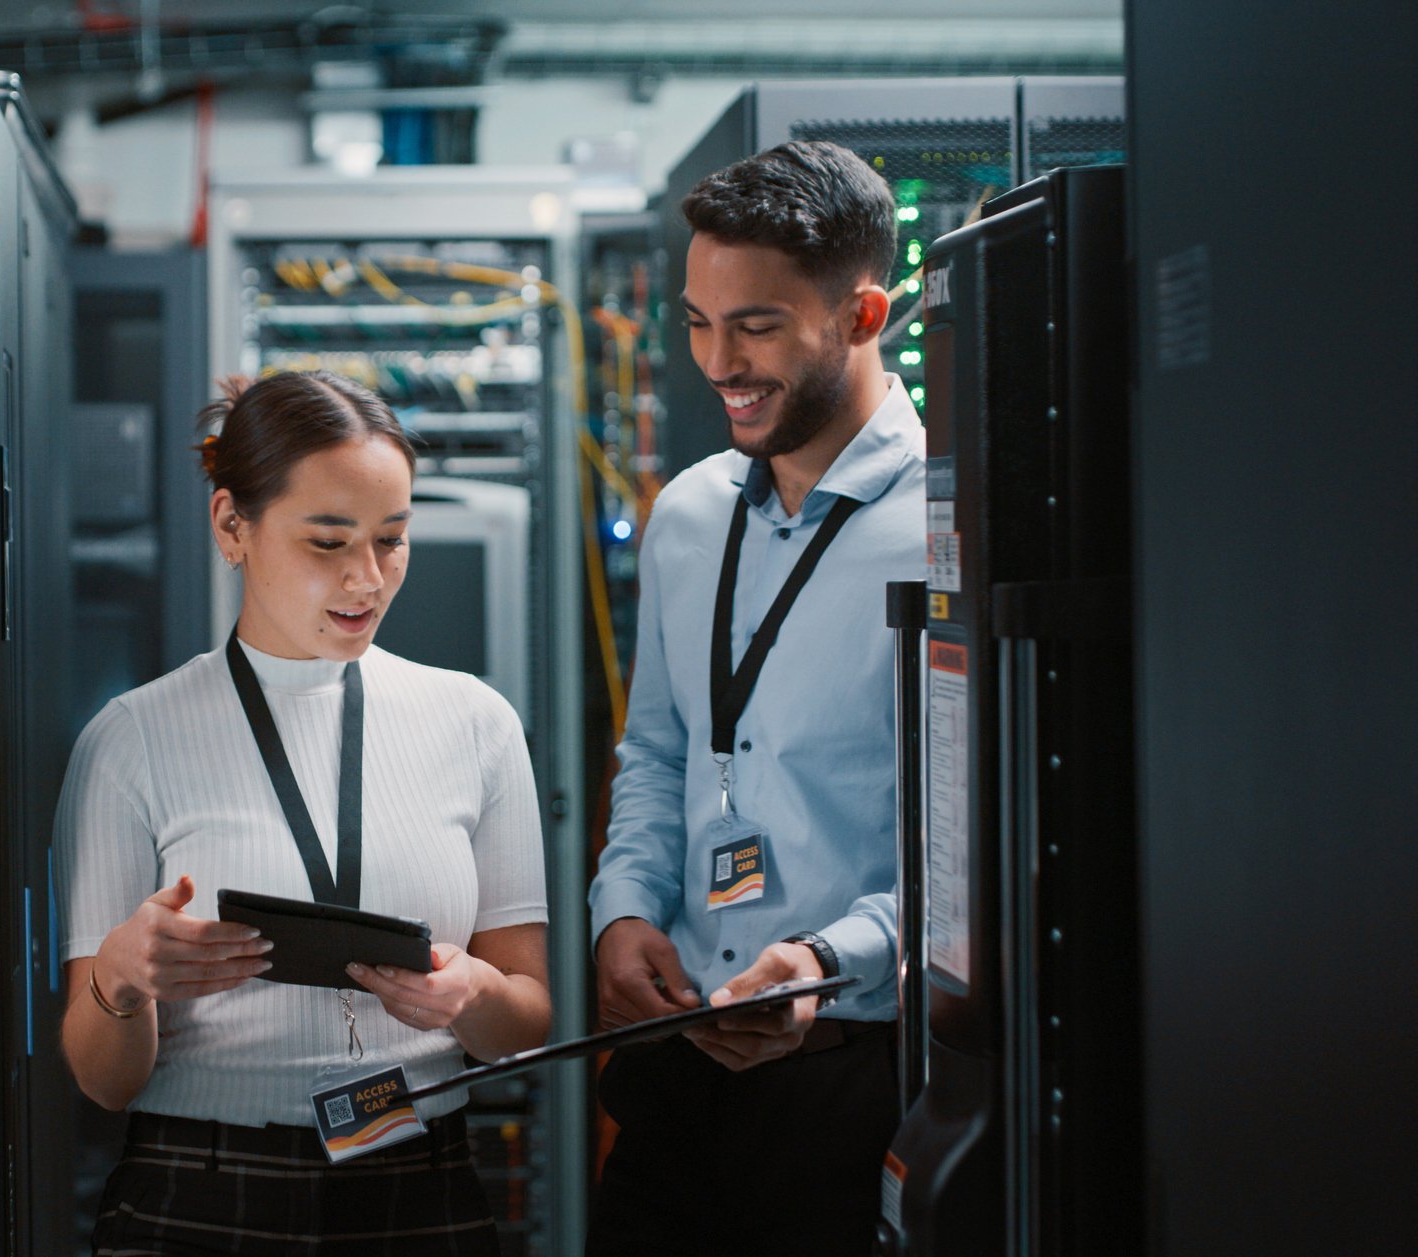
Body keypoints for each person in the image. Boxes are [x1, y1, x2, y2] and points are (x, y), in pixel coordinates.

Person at [55, 370, 552, 1257]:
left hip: (417, 1177)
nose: (367, 578)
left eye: (392, 539)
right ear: (231, 526)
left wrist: (469, 993)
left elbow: (527, 1015)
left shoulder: (477, 723)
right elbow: (103, 1080)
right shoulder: (131, 739)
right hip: (202, 1190)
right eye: (328, 542)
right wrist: (122, 979)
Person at [585, 139, 926, 1256]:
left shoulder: (946, 524)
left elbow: (970, 853)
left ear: (861, 314)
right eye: (695, 320)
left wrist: (830, 962)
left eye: (756, 326)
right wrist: (623, 910)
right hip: (679, 1060)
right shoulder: (689, 514)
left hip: (849, 1072)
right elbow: (659, 753)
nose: (715, 361)